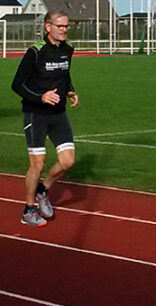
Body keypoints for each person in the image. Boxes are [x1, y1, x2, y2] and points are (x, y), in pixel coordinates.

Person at [12, 10, 78, 227]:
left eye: (66, 26)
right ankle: (29, 210)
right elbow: (17, 84)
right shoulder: (35, 52)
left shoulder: (68, 50)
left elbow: (64, 73)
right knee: (37, 165)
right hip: (35, 113)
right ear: (48, 26)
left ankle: (43, 189)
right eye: (60, 26)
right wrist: (40, 97)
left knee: (68, 161)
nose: (64, 30)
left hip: (58, 113)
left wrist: (70, 90)